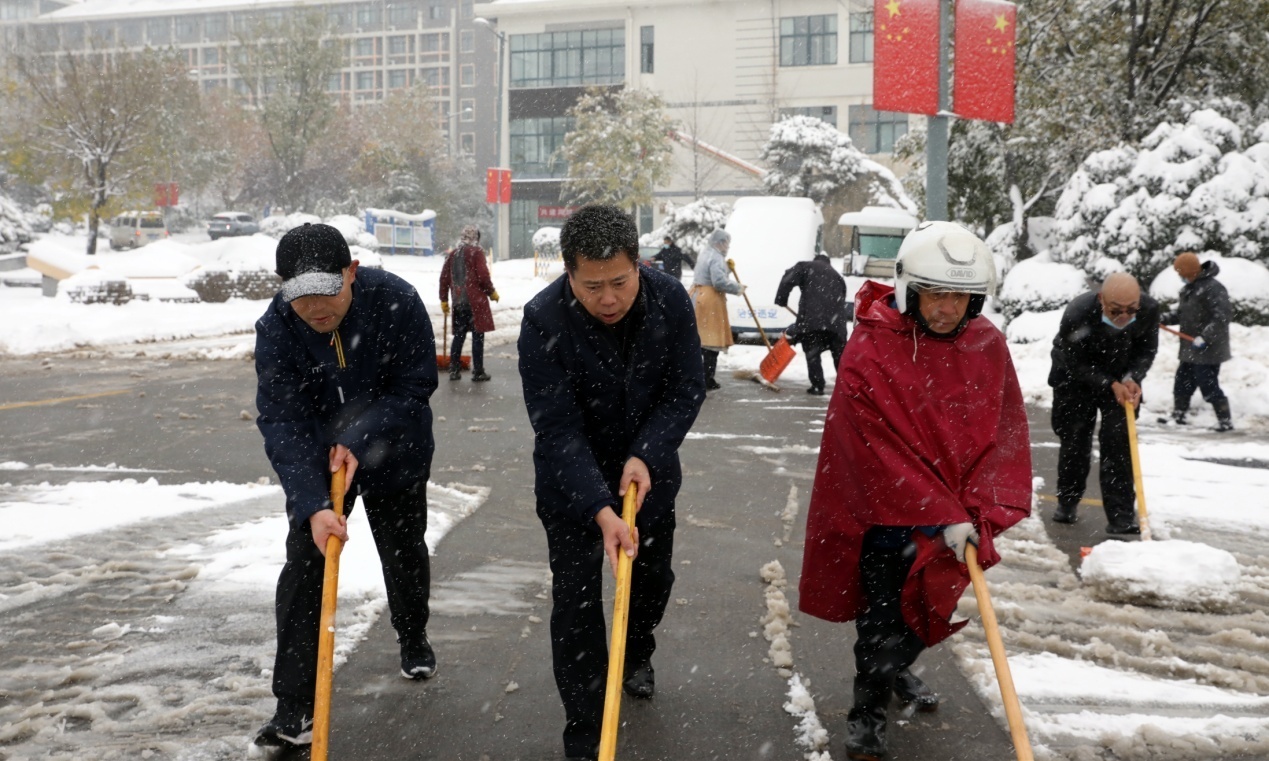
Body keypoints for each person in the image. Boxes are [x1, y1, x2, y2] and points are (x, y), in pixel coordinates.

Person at [798, 221, 1032, 761]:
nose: (946, 308)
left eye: (959, 296)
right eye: (935, 294)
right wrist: (937, 509)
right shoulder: (874, 343)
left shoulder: (986, 344)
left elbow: (1001, 430)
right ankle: (867, 713)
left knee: (921, 608)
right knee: (880, 619)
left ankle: (897, 670)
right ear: (909, 289)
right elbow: (873, 445)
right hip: (885, 517)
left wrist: (975, 506)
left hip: (953, 516)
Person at [518, 204, 706, 761]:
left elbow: (685, 389)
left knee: (652, 580)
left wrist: (646, 454)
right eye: (591, 286)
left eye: (620, 283)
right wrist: (600, 507)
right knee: (575, 602)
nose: (607, 299)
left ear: (638, 266)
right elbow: (556, 427)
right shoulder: (543, 318)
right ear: (568, 274)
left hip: (650, 478)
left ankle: (637, 650)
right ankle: (585, 729)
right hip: (571, 486)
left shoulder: (670, 300)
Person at [253, 223, 439, 749]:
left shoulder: (396, 300)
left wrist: (358, 434)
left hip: (395, 448)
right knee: (306, 566)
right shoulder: (276, 328)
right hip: (319, 458)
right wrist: (312, 503)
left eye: (327, 290)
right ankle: (294, 707)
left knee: (402, 551)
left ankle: (412, 634)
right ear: (282, 286)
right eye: (299, 295)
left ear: (351, 272)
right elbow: (282, 421)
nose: (315, 308)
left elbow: (415, 386)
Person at [1048, 272, 1160, 532]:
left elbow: (1146, 350)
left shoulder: (1149, 309)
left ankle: (1121, 516)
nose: (1123, 316)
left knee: (1120, 443)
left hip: (1121, 376)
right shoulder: (1078, 312)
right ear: (1101, 299)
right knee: (1075, 439)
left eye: (1131, 310)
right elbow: (1076, 362)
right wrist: (1108, 383)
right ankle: (1068, 501)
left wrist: (1133, 378)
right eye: (1115, 310)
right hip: (1074, 378)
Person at [1160, 252, 1233, 431]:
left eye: (1181, 273)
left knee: (1208, 384)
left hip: (1209, 348)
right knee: (1182, 382)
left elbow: (1222, 317)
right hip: (1190, 347)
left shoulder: (1213, 288)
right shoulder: (1190, 288)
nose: (1180, 277)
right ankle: (1178, 414)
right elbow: (1182, 314)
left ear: (1191, 271)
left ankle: (1225, 420)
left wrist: (1205, 337)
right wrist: (1162, 318)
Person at [774, 250, 851, 395]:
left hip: (812, 321)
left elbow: (787, 279)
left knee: (812, 353)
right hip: (836, 325)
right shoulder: (838, 276)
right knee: (839, 357)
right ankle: (845, 389)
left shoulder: (805, 266)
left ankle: (817, 386)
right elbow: (842, 297)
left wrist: (781, 299)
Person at [440, 225, 499, 382]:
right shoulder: (476, 252)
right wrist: (491, 292)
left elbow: (444, 278)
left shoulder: (453, 254)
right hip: (475, 302)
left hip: (458, 302)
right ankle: (478, 371)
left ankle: (454, 369)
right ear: (475, 238)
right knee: (477, 336)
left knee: (459, 336)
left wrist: (444, 299)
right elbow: (483, 276)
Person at [690, 228, 743, 391]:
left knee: (699, 340)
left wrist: (726, 267)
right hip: (710, 301)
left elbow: (709, 273)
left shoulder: (706, 253)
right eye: (726, 243)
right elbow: (718, 281)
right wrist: (738, 288)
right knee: (711, 342)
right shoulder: (716, 257)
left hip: (697, 296)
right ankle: (707, 379)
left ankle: (696, 377)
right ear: (719, 242)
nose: (727, 246)